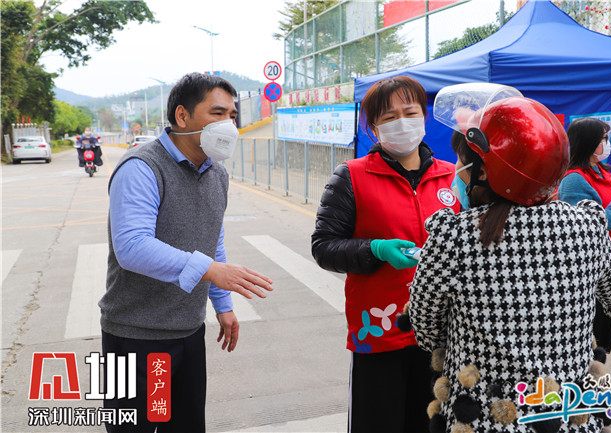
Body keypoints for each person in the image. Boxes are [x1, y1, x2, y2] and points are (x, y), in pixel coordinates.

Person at [408, 83, 611, 433]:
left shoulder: (453, 235)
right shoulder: (586, 225)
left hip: (482, 419)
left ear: (485, 171)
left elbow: (426, 328)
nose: (457, 169)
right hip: (567, 416)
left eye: (463, 160)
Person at [99, 72, 274, 432]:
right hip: (135, 336)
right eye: (217, 114)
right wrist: (210, 270)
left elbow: (213, 241)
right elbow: (132, 246)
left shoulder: (217, 174)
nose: (228, 125)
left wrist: (223, 305)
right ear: (182, 116)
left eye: (232, 116)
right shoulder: (142, 167)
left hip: (188, 332)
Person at [311, 76, 460, 433]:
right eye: (390, 117)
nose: (402, 123)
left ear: (424, 117)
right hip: (380, 335)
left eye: (410, 112)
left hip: (443, 337)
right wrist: (374, 249)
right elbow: (324, 247)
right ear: (373, 128)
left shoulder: (454, 177)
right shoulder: (351, 176)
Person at [557, 117, 611, 352]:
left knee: (603, 343)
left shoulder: (602, 172)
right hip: (589, 271)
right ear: (588, 142)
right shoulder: (574, 179)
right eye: (603, 139)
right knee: (589, 344)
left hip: (610, 265)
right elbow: (582, 225)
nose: (607, 143)